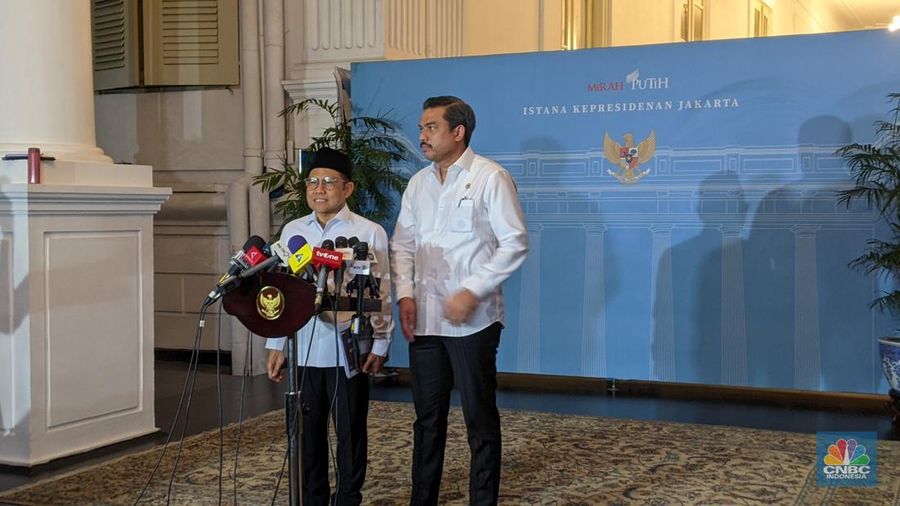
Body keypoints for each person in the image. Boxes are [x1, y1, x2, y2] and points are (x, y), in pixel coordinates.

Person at [391, 96, 529, 505]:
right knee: (426, 420)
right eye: (421, 128)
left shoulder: (491, 177)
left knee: (478, 419)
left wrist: (473, 289)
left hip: (475, 321)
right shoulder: (418, 183)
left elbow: (515, 242)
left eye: (430, 127)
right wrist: (404, 295)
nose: (422, 136)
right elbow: (402, 244)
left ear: (458, 132)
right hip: (427, 320)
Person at [266, 147, 393, 506]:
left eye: (328, 182)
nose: (319, 189)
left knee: (351, 432)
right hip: (303, 346)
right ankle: (313, 498)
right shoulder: (294, 231)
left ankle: (349, 497)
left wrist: (381, 344)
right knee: (307, 435)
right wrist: (276, 344)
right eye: (312, 182)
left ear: (348, 189)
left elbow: (381, 290)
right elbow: (283, 292)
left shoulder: (368, 231)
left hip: (347, 349)